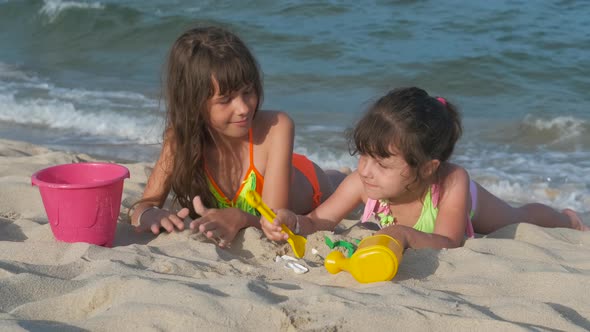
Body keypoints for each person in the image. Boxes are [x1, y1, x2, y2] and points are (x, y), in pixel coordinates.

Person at [262, 87, 588, 250]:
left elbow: (448, 241)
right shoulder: (364, 180)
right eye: (363, 156)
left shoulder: (452, 180)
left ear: (428, 168)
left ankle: (568, 218)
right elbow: (321, 220)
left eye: (381, 163)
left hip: (474, 210)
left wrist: (404, 234)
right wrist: (295, 222)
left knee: (518, 218)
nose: (364, 170)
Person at [131, 26, 345, 247]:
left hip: (310, 182)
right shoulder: (179, 139)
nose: (243, 108)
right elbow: (144, 205)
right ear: (193, 104)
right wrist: (150, 215)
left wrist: (241, 218)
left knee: (339, 181)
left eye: (248, 92)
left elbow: (274, 221)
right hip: (277, 168)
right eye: (225, 100)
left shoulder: (277, 126)